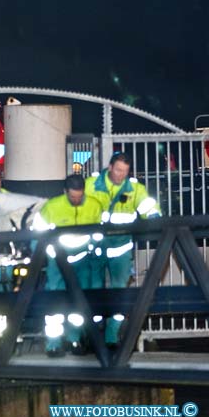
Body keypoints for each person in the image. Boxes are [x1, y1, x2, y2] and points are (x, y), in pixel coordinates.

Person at [85, 152, 160, 347]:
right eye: (118, 170)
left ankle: (111, 337)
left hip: (121, 249)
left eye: (125, 171)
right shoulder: (91, 185)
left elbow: (150, 209)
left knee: (120, 294)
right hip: (95, 249)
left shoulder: (134, 188)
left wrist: (157, 219)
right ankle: (96, 328)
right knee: (92, 290)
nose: (121, 175)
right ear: (110, 168)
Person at [31, 174, 103, 356]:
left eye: (79, 196)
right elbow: (38, 234)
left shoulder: (94, 205)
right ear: (65, 192)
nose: (76, 200)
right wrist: (46, 256)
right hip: (58, 262)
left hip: (83, 260)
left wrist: (94, 250)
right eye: (72, 197)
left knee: (79, 305)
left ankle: (75, 340)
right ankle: (53, 344)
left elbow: (100, 232)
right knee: (55, 303)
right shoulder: (52, 207)